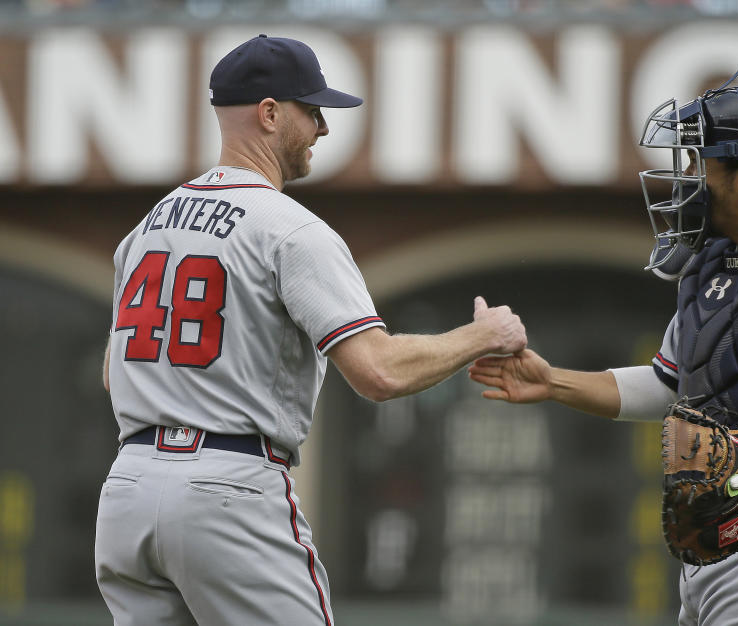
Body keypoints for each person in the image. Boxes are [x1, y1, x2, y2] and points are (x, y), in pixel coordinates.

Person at [95, 34, 526, 626]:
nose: (323, 127)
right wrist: (483, 336)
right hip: (230, 488)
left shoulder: (147, 227)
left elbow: (114, 376)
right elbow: (377, 372)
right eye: (312, 109)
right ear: (270, 114)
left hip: (128, 490)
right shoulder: (289, 228)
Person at [469, 80, 738, 625]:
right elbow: (671, 385)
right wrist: (553, 382)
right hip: (714, 551)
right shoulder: (715, 270)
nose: (689, 177)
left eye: (701, 160)